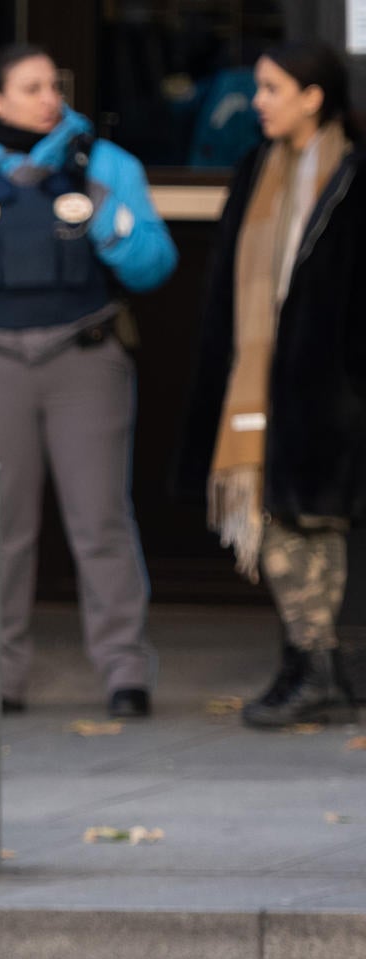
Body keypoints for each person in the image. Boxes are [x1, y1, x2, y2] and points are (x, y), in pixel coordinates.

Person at [0, 44, 177, 718]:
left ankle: (124, 673)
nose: (49, 99)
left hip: (84, 358)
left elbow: (154, 267)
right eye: (31, 87)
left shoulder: (106, 167)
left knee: (100, 521)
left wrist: (103, 213)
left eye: (55, 86)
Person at [177, 40, 364, 728]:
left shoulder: (352, 173)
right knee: (280, 521)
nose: (256, 102)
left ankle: (311, 665)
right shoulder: (256, 166)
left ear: (313, 97)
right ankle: (313, 662)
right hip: (257, 380)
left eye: (271, 89)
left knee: (310, 524)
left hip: (327, 388)